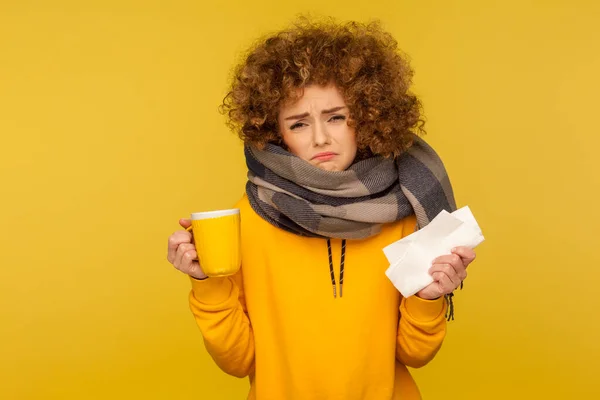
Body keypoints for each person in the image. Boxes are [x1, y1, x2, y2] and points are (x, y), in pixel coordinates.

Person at [167, 18, 476, 400]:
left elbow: (414, 354)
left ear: (367, 116)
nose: (320, 138)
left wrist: (428, 297)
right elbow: (239, 362)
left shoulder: (406, 211)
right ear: (274, 133)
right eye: (298, 124)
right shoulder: (248, 218)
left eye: (336, 117)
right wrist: (208, 282)